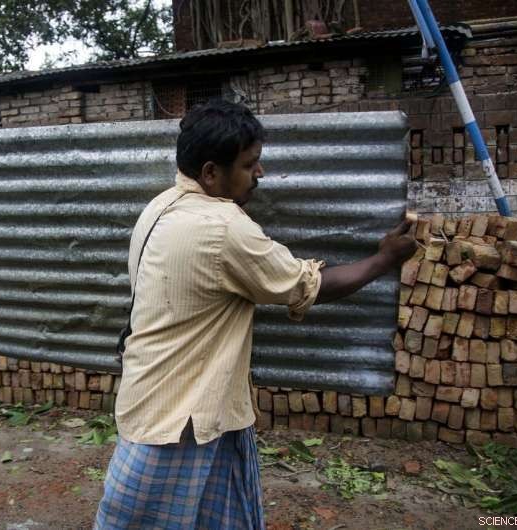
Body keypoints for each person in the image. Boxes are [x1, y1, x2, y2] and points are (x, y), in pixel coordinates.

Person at [94, 99, 416, 529]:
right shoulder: (224, 227)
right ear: (211, 173)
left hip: (179, 401)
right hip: (178, 418)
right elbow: (308, 286)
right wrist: (382, 260)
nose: (259, 174)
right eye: (250, 165)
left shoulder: (161, 206)